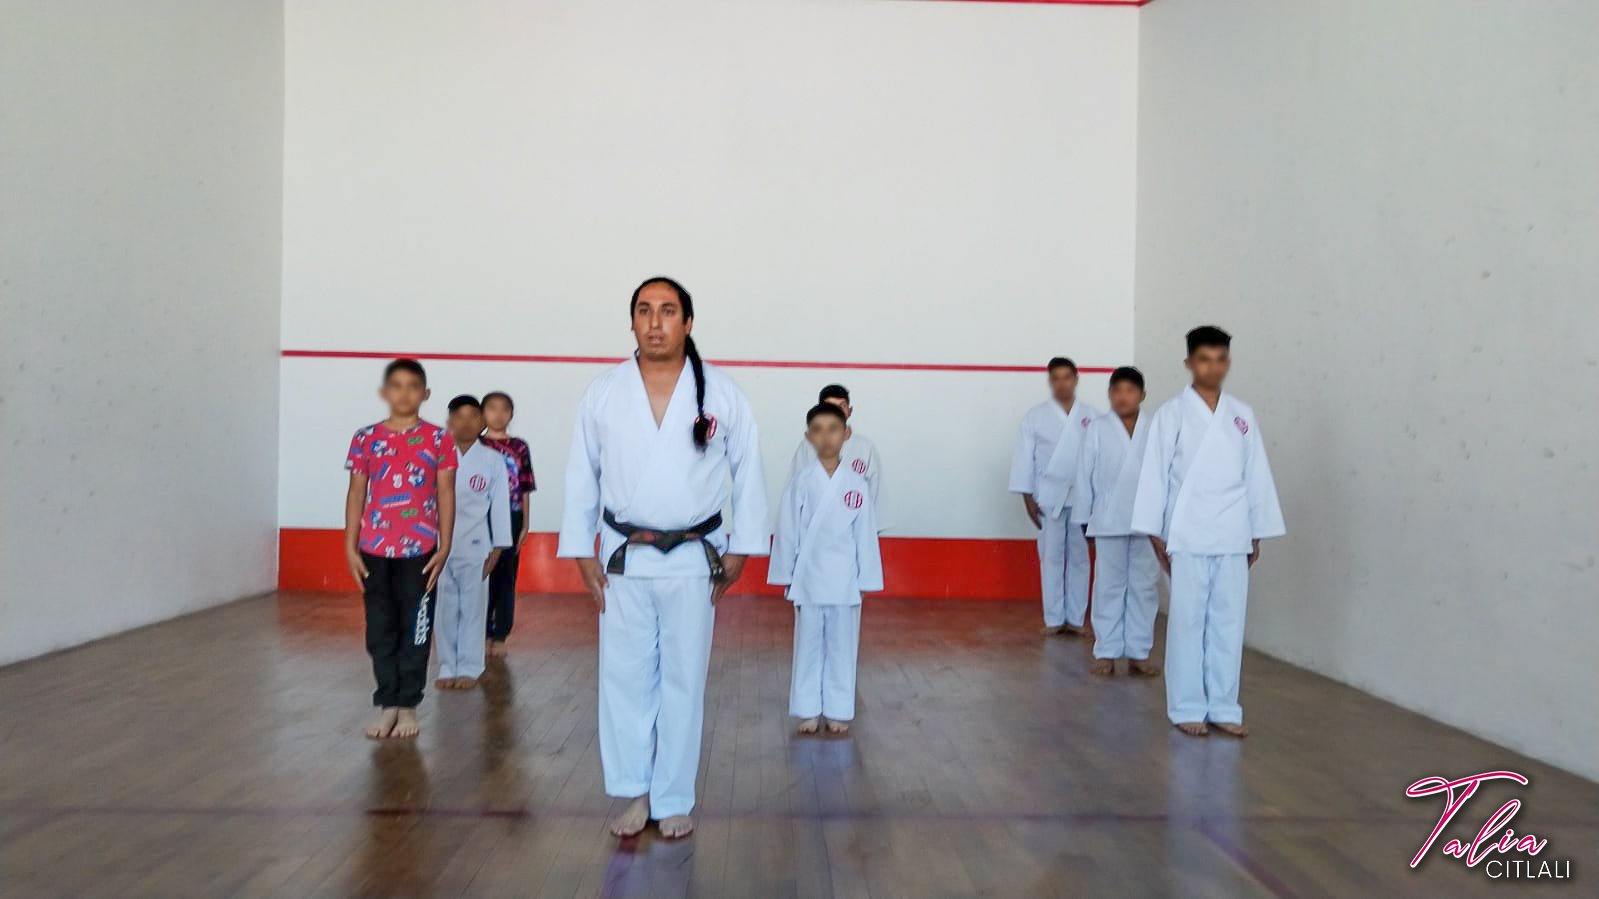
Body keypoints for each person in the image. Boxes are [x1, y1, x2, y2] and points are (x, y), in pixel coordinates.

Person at [558, 276, 768, 840]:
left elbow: (748, 472)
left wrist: (744, 550)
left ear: (688, 323)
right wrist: (580, 551)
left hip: (696, 559)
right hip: (624, 557)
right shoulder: (605, 392)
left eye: (668, 311)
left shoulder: (720, 393)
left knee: (683, 682)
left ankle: (674, 796)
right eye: (645, 311)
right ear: (632, 323)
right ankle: (632, 792)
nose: (655, 322)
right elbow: (583, 475)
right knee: (623, 680)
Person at [1130, 326, 1286, 738]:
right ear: (1188, 364)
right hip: (1188, 532)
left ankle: (1223, 706)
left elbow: (1255, 476)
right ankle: (1186, 706)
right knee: (1187, 622)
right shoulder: (1171, 415)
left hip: (1233, 530)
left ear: (1228, 364)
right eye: (1204, 359)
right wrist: (1154, 532)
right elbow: (1154, 478)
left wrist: (1256, 530)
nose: (1212, 367)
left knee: (1228, 622)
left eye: (1220, 360)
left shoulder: (1242, 415)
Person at [343, 358, 456, 740]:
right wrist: (350, 544)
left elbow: (445, 491)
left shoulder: (439, 439)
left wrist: (444, 544)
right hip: (374, 549)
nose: (404, 393)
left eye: (413, 386)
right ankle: (387, 703)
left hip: (421, 552)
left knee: (416, 630)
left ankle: (408, 706)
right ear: (384, 392)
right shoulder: (365, 438)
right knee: (380, 629)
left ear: (425, 394)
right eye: (397, 385)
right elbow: (357, 490)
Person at [770, 402, 883, 736]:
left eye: (833, 429)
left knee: (842, 647)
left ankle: (838, 711)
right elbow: (788, 531)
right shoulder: (801, 482)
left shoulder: (857, 484)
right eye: (817, 430)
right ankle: (807, 710)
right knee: (807, 645)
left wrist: (866, 578)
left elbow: (864, 535)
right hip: (808, 576)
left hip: (845, 577)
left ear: (846, 434)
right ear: (808, 437)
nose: (826, 437)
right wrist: (787, 575)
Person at [1072, 367, 1160, 677]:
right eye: (1117, 391)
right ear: (1110, 395)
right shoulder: (1097, 428)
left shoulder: (1156, 428)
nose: (1123, 397)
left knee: (1144, 587)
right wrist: (1083, 517)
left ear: (1142, 395)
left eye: (1130, 391)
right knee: (1109, 586)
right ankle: (1106, 650)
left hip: (1149, 519)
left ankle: (1138, 651)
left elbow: (1168, 476)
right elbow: (1084, 475)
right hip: (1108, 516)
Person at [1008, 357, 1100, 635]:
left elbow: (1098, 459)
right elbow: (1024, 459)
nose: (1062, 383)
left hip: (1082, 496)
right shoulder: (1035, 416)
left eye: (1067, 377)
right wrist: (1026, 497)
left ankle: (1075, 618)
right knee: (1051, 556)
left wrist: (1097, 501)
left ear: (1076, 379)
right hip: (1048, 496)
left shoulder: (1092, 415)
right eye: (1056, 378)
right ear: (1051, 382)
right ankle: (1053, 619)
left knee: (1080, 557)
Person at [435, 395, 511, 691]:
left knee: (473, 608)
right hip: (441, 545)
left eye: (472, 416)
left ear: (481, 423)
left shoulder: (492, 460)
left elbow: (501, 505)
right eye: (459, 417)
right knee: (445, 608)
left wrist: (499, 546)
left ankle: (469, 666)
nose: (466, 423)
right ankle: (446, 665)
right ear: (449, 423)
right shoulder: (438, 455)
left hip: (478, 544)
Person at [479, 391, 535, 657]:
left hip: (511, 516)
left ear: (511, 414)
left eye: (504, 409)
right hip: (479, 518)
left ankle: (499, 634)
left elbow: (525, 487)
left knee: (505, 575)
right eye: (492, 408)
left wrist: (525, 523)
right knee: (478, 576)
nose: (498, 414)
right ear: (482, 413)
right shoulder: (474, 445)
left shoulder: (519, 447)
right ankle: (477, 631)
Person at [789, 384, 884, 530]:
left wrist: (867, 528)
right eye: (830, 406)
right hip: (813, 527)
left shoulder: (865, 448)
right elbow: (795, 489)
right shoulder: (807, 446)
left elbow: (874, 494)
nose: (837, 411)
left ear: (850, 411)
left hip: (853, 528)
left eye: (842, 406)